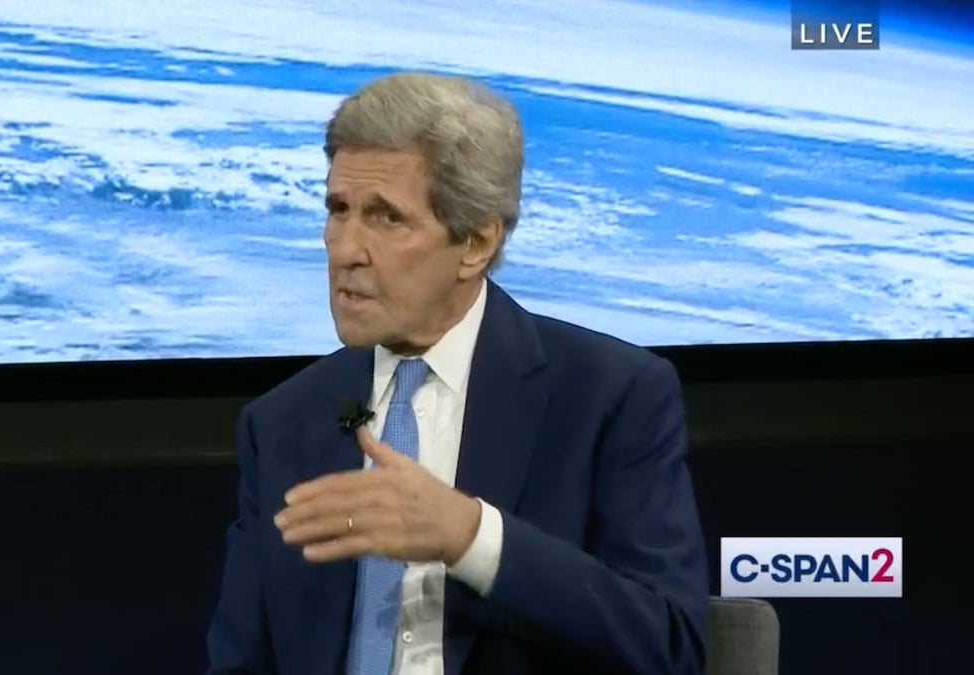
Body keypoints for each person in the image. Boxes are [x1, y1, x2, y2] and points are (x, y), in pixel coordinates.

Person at [205, 71, 708, 675]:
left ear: (475, 243)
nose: (344, 249)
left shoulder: (609, 397)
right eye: (339, 209)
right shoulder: (282, 424)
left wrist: (473, 538)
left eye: (386, 218)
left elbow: (668, 646)